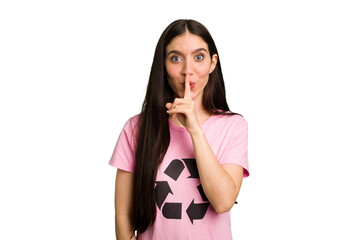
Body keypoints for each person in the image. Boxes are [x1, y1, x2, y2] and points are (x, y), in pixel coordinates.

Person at [109, 19, 249, 240]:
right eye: (176, 58)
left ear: (213, 63)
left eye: (199, 57)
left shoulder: (233, 126)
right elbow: (123, 218)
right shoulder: (136, 129)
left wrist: (194, 130)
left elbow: (223, 202)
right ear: (163, 65)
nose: (187, 71)